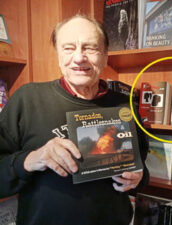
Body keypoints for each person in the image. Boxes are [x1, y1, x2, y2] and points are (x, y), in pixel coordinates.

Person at [0, 14, 149, 225]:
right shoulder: (27, 99)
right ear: (59, 54)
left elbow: (142, 167)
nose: (79, 58)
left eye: (90, 48)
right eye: (69, 48)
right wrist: (30, 160)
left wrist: (139, 176)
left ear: (105, 55)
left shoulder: (126, 105)